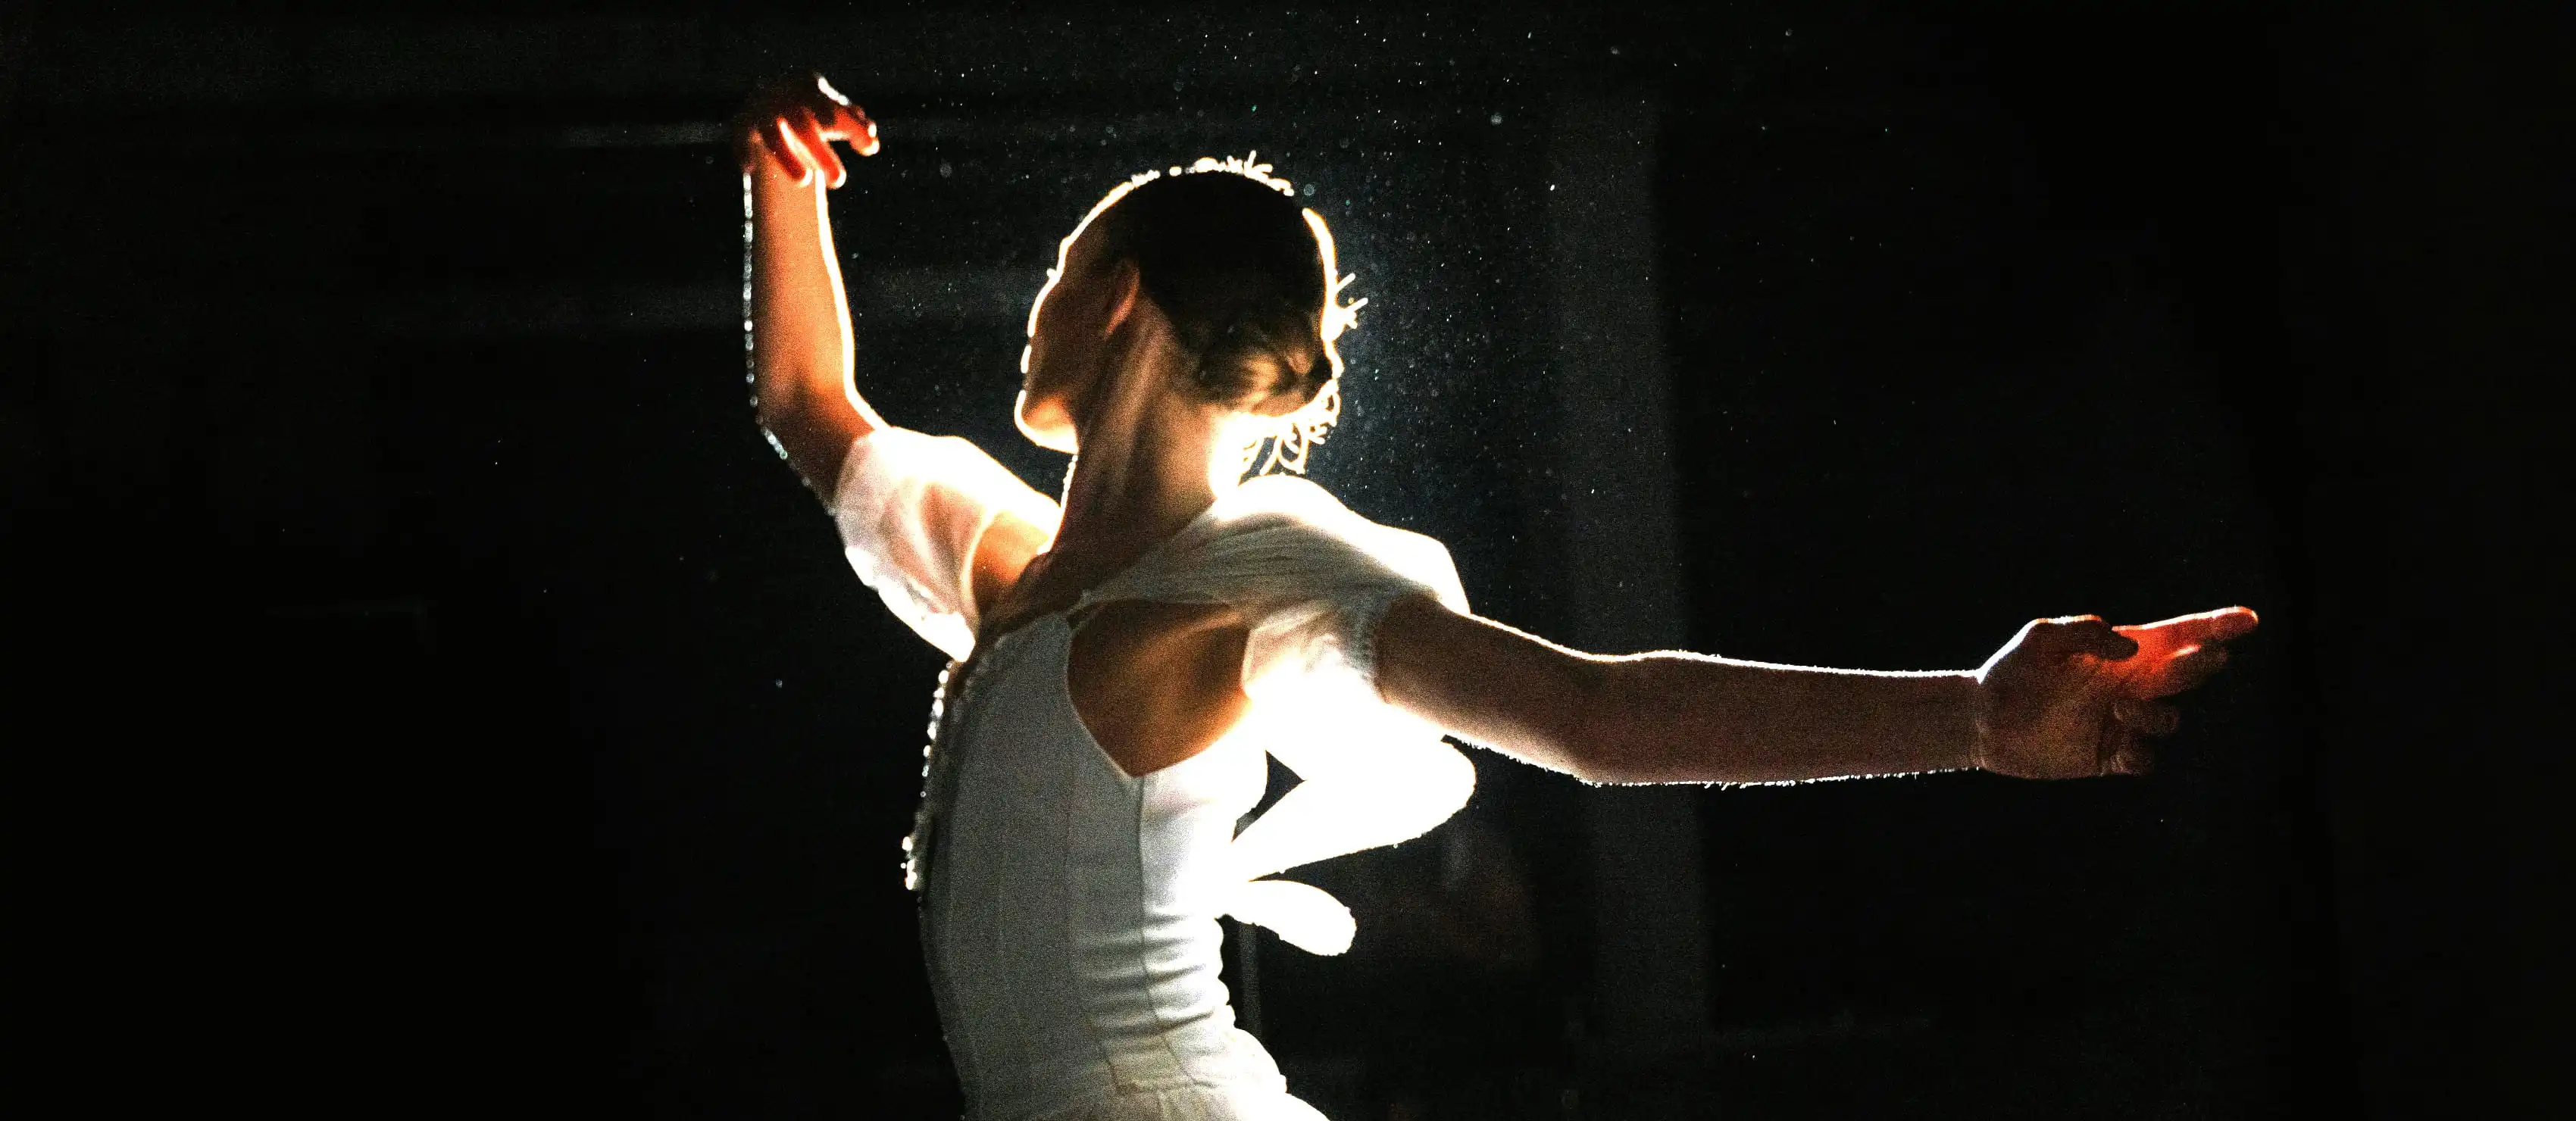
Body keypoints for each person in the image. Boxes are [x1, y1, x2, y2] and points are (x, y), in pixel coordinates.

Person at [733, 73, 2259, 1121]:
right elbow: (814, 403)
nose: (1036, 314)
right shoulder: (1012, 573)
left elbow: (1592, 711)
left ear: (1118, 295)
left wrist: (1977, 717)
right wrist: (779, 174)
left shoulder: (1255, 580)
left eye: (1059, 277)